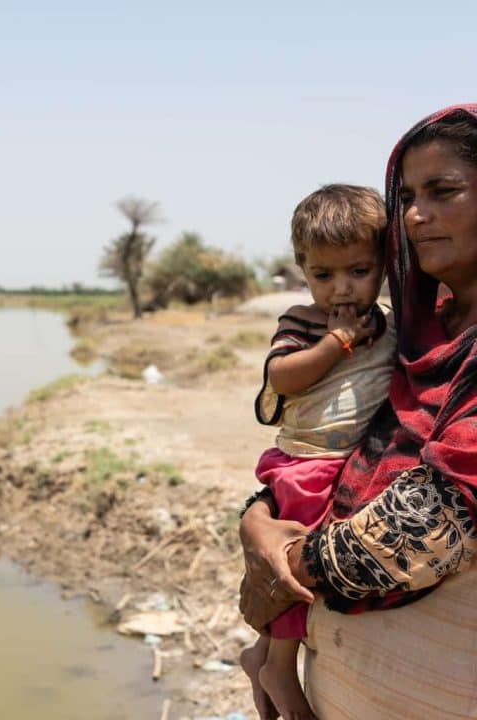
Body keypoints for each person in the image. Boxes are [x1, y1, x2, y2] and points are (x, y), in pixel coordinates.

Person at [239, 103, 477, 720]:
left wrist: (277, 566)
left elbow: (424, 528)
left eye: (443, 191)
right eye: (407, 196)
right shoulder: (417, 334)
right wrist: (258, 522)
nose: (416, 215)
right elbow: (336, 450)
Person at [239, 185, 395, 720]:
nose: (342, 289)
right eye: (323, 276)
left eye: (358, 271)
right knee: (299, 553)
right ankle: (280, 666)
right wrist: (335, 344)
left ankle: (261, 650)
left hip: (348, 460)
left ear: (384, 265)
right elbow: (280, 375)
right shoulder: (305, 320)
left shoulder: (390, 324)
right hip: (306, 461)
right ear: (303, 270)